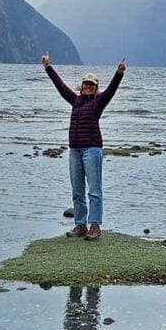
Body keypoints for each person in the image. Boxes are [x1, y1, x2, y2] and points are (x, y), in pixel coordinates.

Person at [41, 53, 126, 240]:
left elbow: (111, 90)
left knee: (94, 190)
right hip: (74, 150)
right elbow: (60, 86)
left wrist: (118, 74)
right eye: (86, 84)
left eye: (91, 85)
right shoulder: (75, 101)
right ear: (82, 87)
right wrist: (48, 67)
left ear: (95, 89)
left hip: (92, 150)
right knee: (77, 190)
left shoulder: (99, 102)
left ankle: (95, 226)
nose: (88, 87)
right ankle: (80, 225)